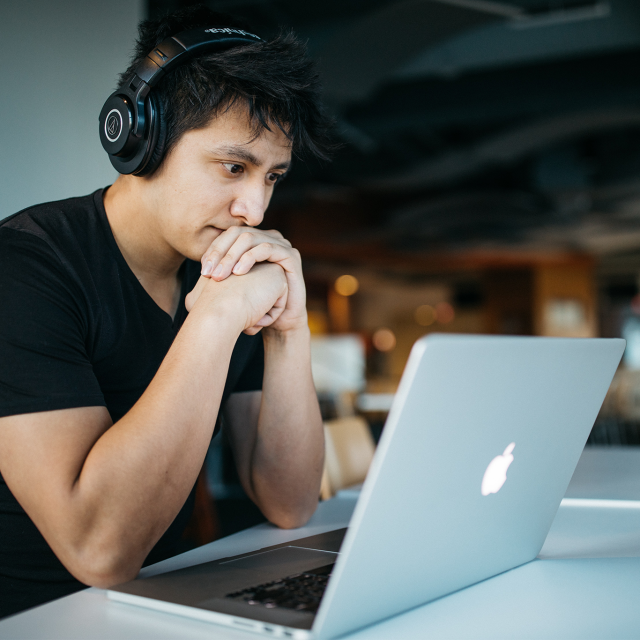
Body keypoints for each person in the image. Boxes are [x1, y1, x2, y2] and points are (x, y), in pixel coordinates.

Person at [0, 6, 333, 618]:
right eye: (234, 167)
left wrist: (289, 329)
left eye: (273, 178)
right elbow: (96, 551)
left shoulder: (224, 269)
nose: (254, 209)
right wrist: (210, 320)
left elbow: (290, 503)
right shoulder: (24, 270)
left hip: (162, 606)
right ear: (140, 139)